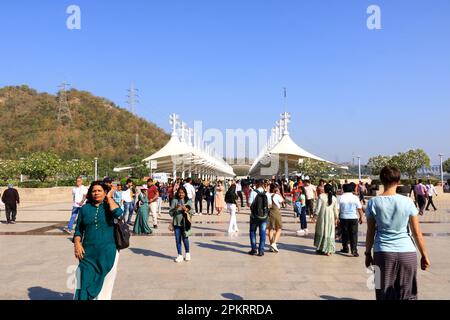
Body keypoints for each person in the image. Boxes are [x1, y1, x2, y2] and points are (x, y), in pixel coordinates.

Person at [365, 166, 430, 300]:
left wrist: (367, 253)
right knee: (408, 295)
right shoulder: (408, 202)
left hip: (382, 253)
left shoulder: (373, 202)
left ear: (381, 180)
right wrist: (424, 255)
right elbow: (417, 233)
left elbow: (370, 232)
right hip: (407, 253)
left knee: (382, 293)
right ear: (398, 180)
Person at [73, 181, 123, 300]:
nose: (96, 193)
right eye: (93, 191)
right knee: (83, 280)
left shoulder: (109, 207)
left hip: (107, 252)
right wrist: (77, 244)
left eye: (99, 190)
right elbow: (79, 229)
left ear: (105, 192)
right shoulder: (85, 209)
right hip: (87, 253)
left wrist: (109, 197)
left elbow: (118, 213)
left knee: (104, 285)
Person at [169, 186, 194, 263]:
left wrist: (186, 209)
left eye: (182, 193)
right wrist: (175, 208)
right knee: (177, 239)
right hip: (176, 223)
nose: (181, 194)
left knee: (185, 239)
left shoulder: (188, 201)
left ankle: (187, 253)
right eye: (179, 192)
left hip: (185, 223)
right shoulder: (174, 200)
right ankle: (179, 255)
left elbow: (192, 212)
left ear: (185, 193)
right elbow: (171, 213)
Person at [338, 184, 364, 257]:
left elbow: (337, 209)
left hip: (343, 218)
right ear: (351, 190)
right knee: (353, 234)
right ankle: (354, 250)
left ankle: (345, 248)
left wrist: (336, 218)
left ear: (344, 189)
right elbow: (359, 208)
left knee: (344, 233)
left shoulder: (340, 197)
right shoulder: (355, 198)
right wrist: (361, 217)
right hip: (353, 218)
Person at [313, 184, 339, 256]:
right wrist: (337, 217)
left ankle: (321, 248)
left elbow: (318, 208)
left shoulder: (321, 196)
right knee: (329, 232)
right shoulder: (334, 198)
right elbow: (335, 210)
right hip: (330, 217)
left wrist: (315, 215)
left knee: (322, 231)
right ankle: (328, 250)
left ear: (324, 189)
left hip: (322, 216)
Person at [248, 179, 271, 256]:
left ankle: (254, 249)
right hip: (264, 217)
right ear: (263, 185)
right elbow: (270, 205)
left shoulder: (253, 192)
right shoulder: (267, 193)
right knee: (263, 233)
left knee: (252, 232)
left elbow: (249, 204)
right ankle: (261, 250)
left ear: (257, 184)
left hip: (254, 216)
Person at [268, 185, 285, 252]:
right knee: (279, 228)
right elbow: (282, 201)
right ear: (275, 189)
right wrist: (279, 193)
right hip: (276, 212)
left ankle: (271, 245)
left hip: (270, 213)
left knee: (270, 229)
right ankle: (274, 243)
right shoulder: (277, 195)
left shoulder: (268, 195)